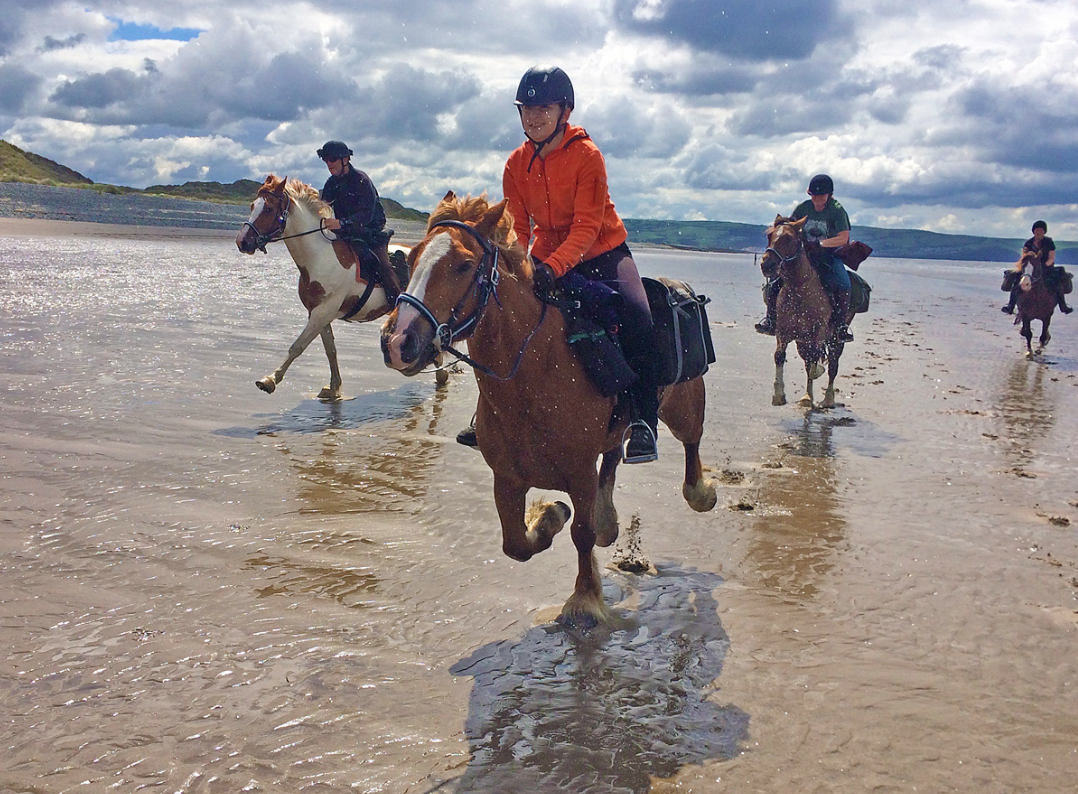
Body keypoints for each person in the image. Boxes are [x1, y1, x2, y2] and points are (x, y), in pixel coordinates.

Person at [456, 65, 661, 464]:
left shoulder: (588, 156)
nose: (533, 116)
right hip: (546, 255)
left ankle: (643, 422)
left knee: (640, 317)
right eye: (526, 109)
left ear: (564, 111)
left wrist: (553, 268)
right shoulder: (515, 164)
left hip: (603, 252)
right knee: (503, 315)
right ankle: (487, 414)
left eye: (543, 108)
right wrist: (522, 266)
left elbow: (586, 228)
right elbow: (517, 227)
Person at [755, 173, 855, 343]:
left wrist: (821, 244)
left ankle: (840, 328)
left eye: (820, 195)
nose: (816, 199)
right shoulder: (803, 208)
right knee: (774, 282)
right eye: (813, 195)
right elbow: (789, 229)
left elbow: (843, 238)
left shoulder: (837, 210)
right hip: (803, 254)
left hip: (828, 255)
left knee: (843, 283)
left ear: (829, 195)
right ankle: (770, 321)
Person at [316, 140, 401, 304]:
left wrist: (341, 223)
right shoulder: (331, 183)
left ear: (345, 160)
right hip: (345, 232)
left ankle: (396, 304)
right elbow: (323, 207)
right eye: (326, 159)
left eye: (332, 159)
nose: (328, 163)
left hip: (371, 231)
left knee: (383, 265)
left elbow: (366, 215)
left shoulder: (362, 180)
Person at [1003, 220, 1072, 314]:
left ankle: (1063, 305)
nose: (1038, 232)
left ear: (1044, 231)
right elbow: (1024, 257)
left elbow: (1051, 257)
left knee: (1057, 283)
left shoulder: (1049, 242)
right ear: (1033, 231)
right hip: (1030, 267)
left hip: (1046, 267)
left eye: (1041, 230)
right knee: (1017, 283)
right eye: (1036, 230)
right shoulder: (1029, 243)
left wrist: (1043, 266)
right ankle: (1010, 305)